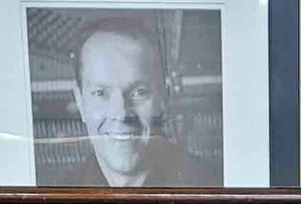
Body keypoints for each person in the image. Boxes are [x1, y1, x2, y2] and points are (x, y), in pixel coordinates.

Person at [57, 17, 219, 187]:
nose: (121, 114)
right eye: (100, 93)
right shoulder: (57, 201)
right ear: (80, 102)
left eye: (138, 92)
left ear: (164, 98)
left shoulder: (211, 187)